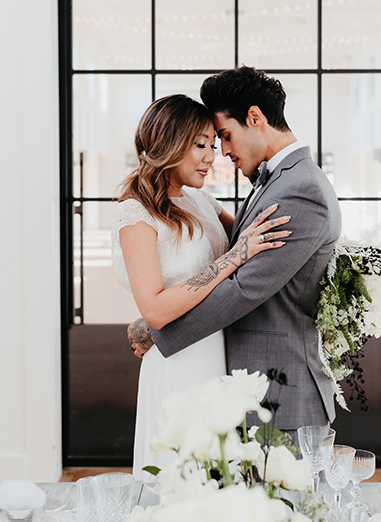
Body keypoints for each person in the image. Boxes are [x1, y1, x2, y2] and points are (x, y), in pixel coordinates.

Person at [128, 66, 342, 439]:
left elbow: (246, 287)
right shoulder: (277, 180)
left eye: (223, 137)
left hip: (279, 388)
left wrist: (157, 328)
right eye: (207, 143)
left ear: (255, 118)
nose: (222, 153)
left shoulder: (299, 188)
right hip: (231, 375)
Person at [110, 94, 291, 478]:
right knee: (181, 476)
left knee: (220, 475)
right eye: (200, 145)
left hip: (220, 354)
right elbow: (155, 310)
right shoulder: (135, 212)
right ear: (167, 144)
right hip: (178, 362)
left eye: (214, 143)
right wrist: (234, 257)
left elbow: (252, 245)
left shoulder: (201, 200)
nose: (213, 156)